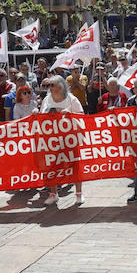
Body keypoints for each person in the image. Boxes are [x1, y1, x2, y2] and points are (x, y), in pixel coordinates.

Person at [39, 75, 85, 205]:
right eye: (50, 86)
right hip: (52, 139)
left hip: (70, 138)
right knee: (52, 166)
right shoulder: (47, 99)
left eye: (54, 85)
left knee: (74, 165)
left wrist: (69, 114)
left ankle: (79, 193)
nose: (52, 88)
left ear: (62, 86)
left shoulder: (71, 99)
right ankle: (53, 193)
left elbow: (81, 115)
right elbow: (42, 116)